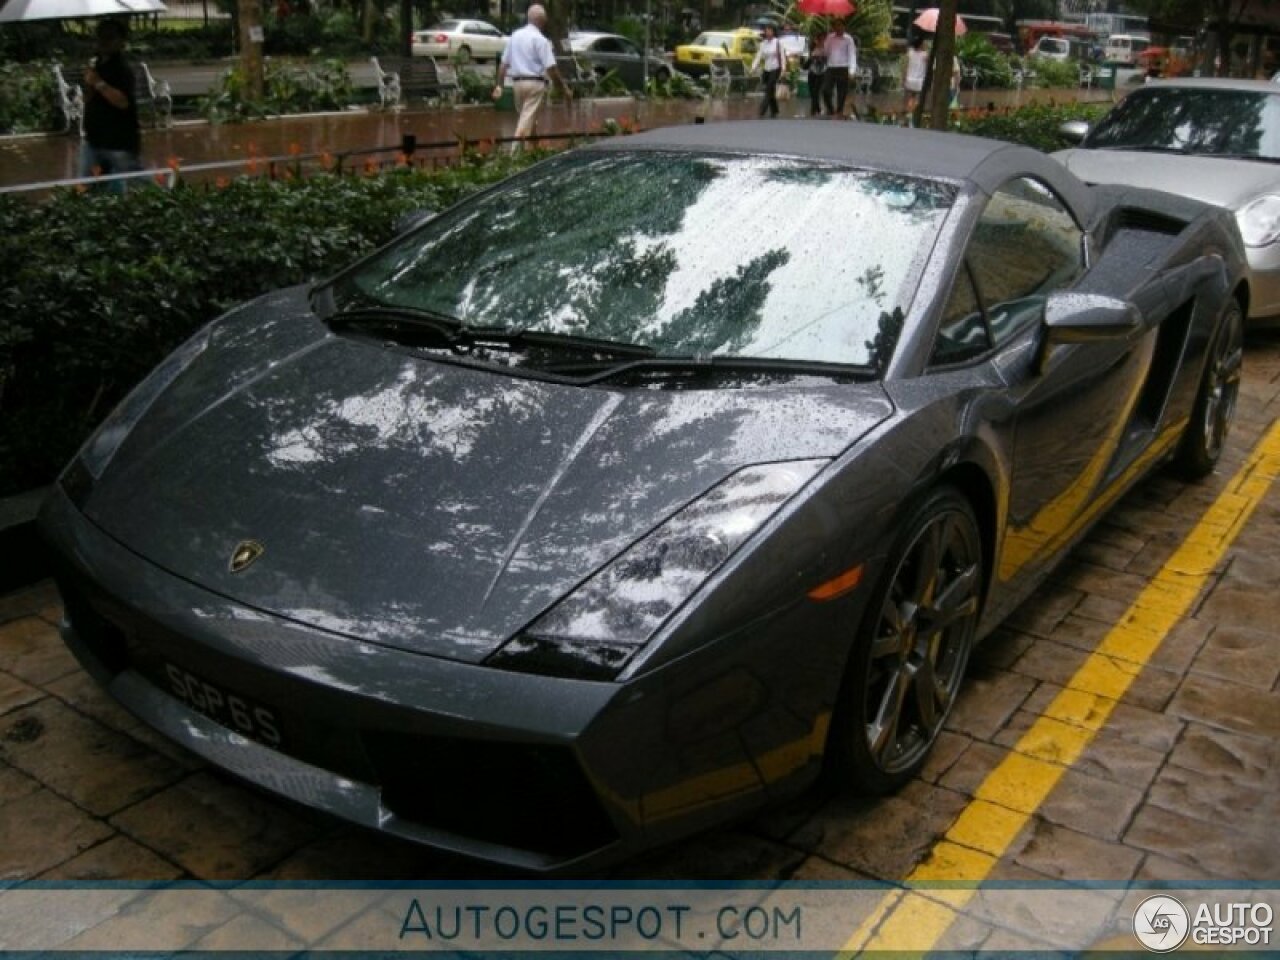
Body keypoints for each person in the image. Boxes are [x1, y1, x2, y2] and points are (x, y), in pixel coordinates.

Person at [492, 4, 572, 142]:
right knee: (525, 123)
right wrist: (564, 88)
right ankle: (514, 155)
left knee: (527, 119)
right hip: (535, 85)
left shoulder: (515, 36)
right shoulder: (541, 40)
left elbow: (503, 64)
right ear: (542, 21)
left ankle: (533, 150)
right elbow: (551, 68)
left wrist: (499, 86)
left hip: (517, 84)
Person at [80, 18, 141, 193]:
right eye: (100, 37)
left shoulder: (122, 69)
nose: (103, 42)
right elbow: (88, 98)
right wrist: (89, 84)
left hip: (118, 142)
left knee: (138, 185)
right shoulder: (97, 65)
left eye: (109, 37)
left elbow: (122, 102)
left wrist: (98, 82)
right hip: (94, 140)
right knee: (88, 188)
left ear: (121, 41)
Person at [823, 20, 857, 118]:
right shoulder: (830, 38)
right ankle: (830, 109)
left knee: (842, 91)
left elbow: (852, 55)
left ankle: (839, 111)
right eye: (836, 26)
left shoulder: (848, 39)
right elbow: (826, 52)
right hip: (831, 67)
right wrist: (825, 42)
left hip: (843, 67)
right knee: (826, 90)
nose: (839, 28)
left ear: (844, 27)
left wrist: (852, 70)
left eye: (841, 26)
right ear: (834, 27)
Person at [751, 22, 786, 118]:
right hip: (767, 69)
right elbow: (759, 56)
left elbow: (782, 57)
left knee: (768, 90)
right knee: (770, 91)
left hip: (775, 69)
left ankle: (761, 110)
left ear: (774, 32)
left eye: (770, 30)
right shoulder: (763, 44)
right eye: (766, 30)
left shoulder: (778, 43)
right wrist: (753, 67)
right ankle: (775, 110)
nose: (768, 32)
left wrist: (783, 69)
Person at [902, 32, 928, 119]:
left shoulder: (910, 52)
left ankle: (906, 113)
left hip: (909, 79)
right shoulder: (925, 55)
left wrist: (903, 78)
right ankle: (913, 113)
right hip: (919, 80)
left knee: (907, 98)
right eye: (924, 43)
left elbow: (905, 66)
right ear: (920, 44)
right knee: (916, 99)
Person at [803, 30, 827, 116]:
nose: (820, 41)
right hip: (812, 72)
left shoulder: (826, 49)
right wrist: (812, 57)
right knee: (812, 92)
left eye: (822, 39)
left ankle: (813, 111)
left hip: (822, 73)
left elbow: (827, 61)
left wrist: (822, 57)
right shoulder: (812, 48)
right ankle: (818, 108)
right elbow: (806, 63)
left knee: (816, 91)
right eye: (819, 39)